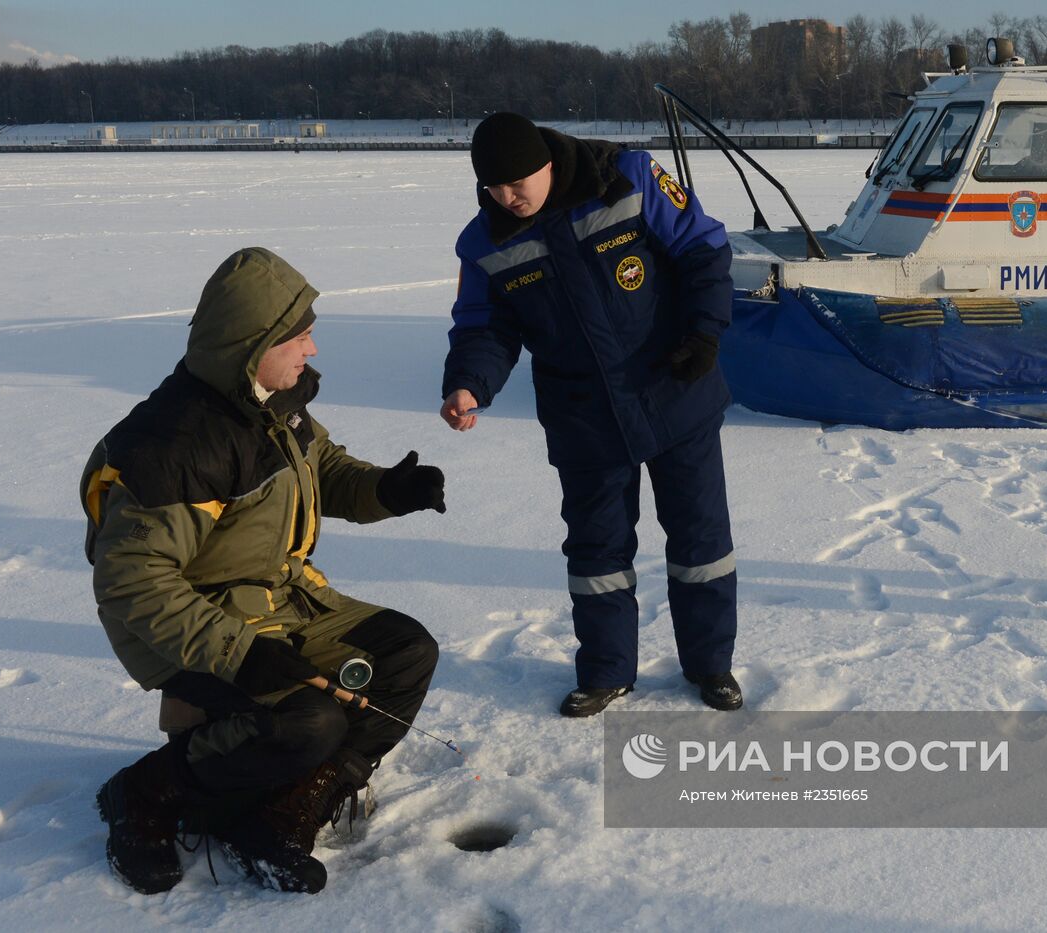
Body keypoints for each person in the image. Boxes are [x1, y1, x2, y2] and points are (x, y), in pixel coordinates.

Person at [81, 247, 444, 895]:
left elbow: (322, 468)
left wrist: (387, 489)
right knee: (308, 719)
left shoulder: (275, 402)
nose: (311, 347)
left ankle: (288, 803)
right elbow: (134, 584)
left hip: (276, 598)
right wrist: (243, 656)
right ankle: (147, 792)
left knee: (404, 652)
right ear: (253, 346)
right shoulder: (176, 444)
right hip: (186, 624)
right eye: (298, 336)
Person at [439, 112, 741, 718]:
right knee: (597, 550)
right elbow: (483, 327)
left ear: (548, 162)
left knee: (699, 539)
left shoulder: (626, 178)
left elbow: (703, 251)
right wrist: (468, 385)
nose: (507, 196)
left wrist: (705, 333)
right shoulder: (484, 243)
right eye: (493, 187)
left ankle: (710, 666)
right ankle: (606, 672)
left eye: (517, 181)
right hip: (582, 416)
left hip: (676, 389)